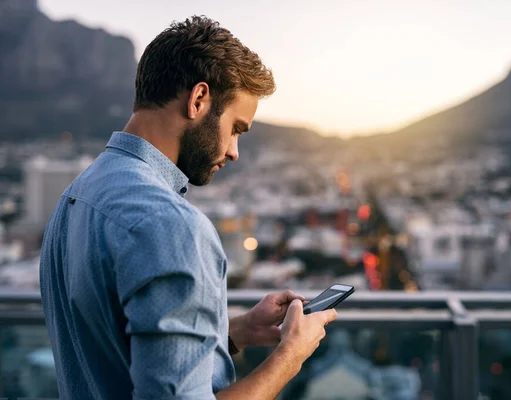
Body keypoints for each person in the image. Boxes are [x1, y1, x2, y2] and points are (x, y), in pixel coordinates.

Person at [39, 15, 337, 400]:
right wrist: (290, 355)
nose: (233, 151)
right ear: (198, 100)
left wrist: (234, 333)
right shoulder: (172, 225)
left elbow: (116, 356)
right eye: (236, 129)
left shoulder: (76, 197)